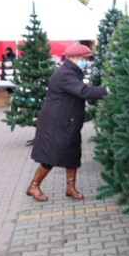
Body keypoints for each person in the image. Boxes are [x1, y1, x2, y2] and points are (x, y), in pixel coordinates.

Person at [26, 44, 108, 201]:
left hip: (68, 122)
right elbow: (84, 92)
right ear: (73, 59)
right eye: (84, 59)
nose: (87, 62)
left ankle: (71, 187)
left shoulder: (72, 72)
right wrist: (106, 90)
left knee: (72, 154)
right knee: (51, 156)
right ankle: (33, 186)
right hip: (56, 123)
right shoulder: (65, 74)